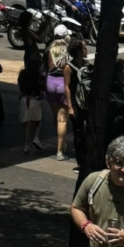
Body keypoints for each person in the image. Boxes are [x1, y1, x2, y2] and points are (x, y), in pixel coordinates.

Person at [44, 30, 70, 161]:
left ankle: (61, 143)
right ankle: (59, 151)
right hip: (61, 83)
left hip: (50, 82)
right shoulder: (67, 50)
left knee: (56, 116)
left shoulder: (50, 49)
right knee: (62, 119)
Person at [64, 37, 89, 167]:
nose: (86, 50)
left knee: (88, 132)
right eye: (84, 48)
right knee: (78, 133)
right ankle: (80, 162)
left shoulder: (87, 65)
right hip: (75, 103)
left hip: (86, 103)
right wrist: (70, 107)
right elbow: (67, 87)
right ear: (78, 51)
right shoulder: (69, 67)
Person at [18, 58, 43, 155]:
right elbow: (42, 88)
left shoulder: (23, 74)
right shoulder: (39, 76)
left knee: (27, 124)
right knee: (38, 120)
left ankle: (26, 145)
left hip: (25, 99)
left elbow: (20, 85)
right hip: (36, 100)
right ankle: (36, 137)